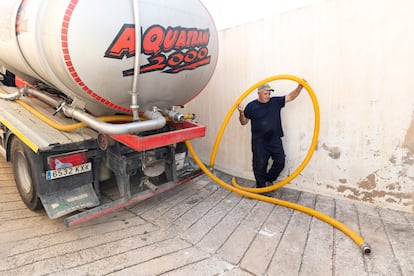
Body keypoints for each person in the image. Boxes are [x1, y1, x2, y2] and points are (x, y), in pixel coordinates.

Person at [237, 82, 304, 188]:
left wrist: (300, 87)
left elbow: (291, 96)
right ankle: (261, 187)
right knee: (259, 165)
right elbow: (243, 122)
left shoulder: (275, 102)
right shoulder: (251, 106)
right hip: (259, 141)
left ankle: (269, 179)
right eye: (265, 93)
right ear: (259, 93)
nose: (268, 96)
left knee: (280, 161)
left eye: (269, 93)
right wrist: (241, 113)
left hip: (274, 139)